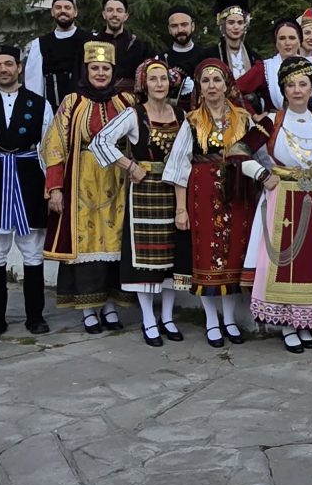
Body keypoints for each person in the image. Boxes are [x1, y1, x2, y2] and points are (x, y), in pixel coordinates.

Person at [162, 58, 270, 347]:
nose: (212, 86)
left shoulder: (243, 118)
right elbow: (178, 167)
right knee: (207, 257)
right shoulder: (192, 120)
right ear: (200, 87)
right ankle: (212, 321)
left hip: (238, 193)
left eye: (217, 80)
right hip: (203, 195)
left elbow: (260, 156)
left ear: (227, 84)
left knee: (236, 254)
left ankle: (230, 319)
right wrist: (181, 209)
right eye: (206, 81)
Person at [243, 57, 312, 353]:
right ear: (283, 90)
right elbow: (237, 152)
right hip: (283, 197)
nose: (297, 90)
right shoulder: (271, 122)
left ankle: (306, 321)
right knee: (286, 260)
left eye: (303, 84)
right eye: (291, 85)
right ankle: (287, 324)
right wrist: (262, 175)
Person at [90, 59, 187, 348]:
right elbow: (100, 141)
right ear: (144, 84)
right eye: (153, 79)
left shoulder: (181, 114)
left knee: (171, 257)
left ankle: (167, 317)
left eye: (163, 78)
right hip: (144, 191)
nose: (159, 84)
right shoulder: (134, 114)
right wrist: (130, 165)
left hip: (174, 191)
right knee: (147, 258)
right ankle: (148, 318)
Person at [41, 41, 135, 332]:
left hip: (117, 181)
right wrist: (55, 188)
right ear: (86, 70)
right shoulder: (72, 102)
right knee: (86, 244)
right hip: (80, 183)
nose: (100, 73)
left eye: (106, 68)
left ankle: (109, 305)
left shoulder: (126, 101)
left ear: (113, 71)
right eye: (95, 68)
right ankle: (87, 310)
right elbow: (54, 145)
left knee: (116, 243)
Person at [0, 45, 54, 341]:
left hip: (28, 181)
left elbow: (49, 147)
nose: (3, 69)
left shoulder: (39, 103)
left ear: (19, 67)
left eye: (8, 64)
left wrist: (51, 186)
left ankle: (35, 317)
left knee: (32, 251)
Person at [236, 18, 312, 120]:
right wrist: (254, 115)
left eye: (292, 38)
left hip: (309, 125)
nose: (287, 42)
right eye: (282, 38)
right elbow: (234, 91)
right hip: (276, 126)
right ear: (276, 42)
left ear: (299, 41)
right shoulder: (265, 68)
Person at [23, 0, 90, 110]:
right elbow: (34, 86)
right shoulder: (39, 44)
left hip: (85, 112)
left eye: (67, 7)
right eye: (58, 7)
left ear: (75, 12)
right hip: (52, 113)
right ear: (52, 12)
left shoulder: (90, 40)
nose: (63, 11)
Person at [94, 0, 153, 90]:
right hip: (97, 96)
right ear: (104, 14)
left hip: (130, 97)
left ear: (126, 16)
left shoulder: (140, 47)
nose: (114, 14)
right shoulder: (92, 44)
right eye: (110, 10)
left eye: (119, 11)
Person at [205, 0, 254, 81]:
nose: (236, 27)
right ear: (223, 25)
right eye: (231, 22)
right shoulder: (210, 55)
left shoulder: (254, 58)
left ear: (245, 25)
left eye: (240, 22)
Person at [163, 6, 209, 105]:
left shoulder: (206, 56)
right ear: (169, 29)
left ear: (192, 26)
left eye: (184, 25)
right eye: (174, 26)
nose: (180, 30)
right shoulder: (161, 59)